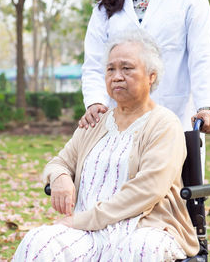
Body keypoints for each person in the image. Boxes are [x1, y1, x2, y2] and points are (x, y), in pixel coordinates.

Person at [13, 30, 198, 261]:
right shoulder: (96, 121)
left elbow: (148, 189)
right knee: (37, 241)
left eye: (127, 68)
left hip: (144, 227)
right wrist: (59, 176)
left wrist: (83, 220)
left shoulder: (164, 123)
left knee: (140, 249)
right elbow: (59, 162)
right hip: (88, 233)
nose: (117, 76)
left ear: (151, 76)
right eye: (111, 69)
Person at [79, 0, 210, 134]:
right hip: (120, 118)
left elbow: (202, 57)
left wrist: (206, 106)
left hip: (176, 113)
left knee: (172, 153)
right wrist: (96, 102)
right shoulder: (104, 8)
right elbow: (94, 65)